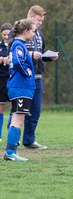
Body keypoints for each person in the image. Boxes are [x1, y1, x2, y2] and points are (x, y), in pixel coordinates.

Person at [23, 5, 58, 150]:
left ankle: (29, 141)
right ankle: (12, 140)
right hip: (23, 78)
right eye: (39, 20)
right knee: (19, 110)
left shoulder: (39, 34)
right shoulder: (19, 32)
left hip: (37, 78)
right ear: (31, 17)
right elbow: (15, 51)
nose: (40, 23)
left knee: (35, 111)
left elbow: (41, 53)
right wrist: (30, 55)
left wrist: (50, 57)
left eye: (42, 21)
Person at [4, 19, 36, 161]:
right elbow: (17, 62)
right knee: (17, 119)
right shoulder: (18, 45)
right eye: (33, 31)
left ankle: (11, 152)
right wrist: (27, 72)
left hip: (21, 87)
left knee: (18, 118)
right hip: (20, 87)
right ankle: (10, 153)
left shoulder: (20, 44)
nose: (34, 34)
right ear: (26, 31)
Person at [0, 23, 13, 143]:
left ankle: (12, 134)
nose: (6, 37)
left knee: (15, 108)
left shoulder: (15, 45)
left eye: (8, 34)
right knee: (1, 108)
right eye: (4, 34)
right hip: (2, 80)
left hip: (14, 79)